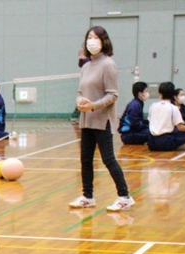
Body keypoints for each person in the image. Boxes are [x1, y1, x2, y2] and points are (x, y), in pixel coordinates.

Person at [69, 26, 134, 213]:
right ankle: (87, 197)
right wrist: (80, 101)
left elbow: (113, 95)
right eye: (89, 36)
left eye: (95, 37)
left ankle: (124, 196)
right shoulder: (86, 66)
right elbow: (80, 91)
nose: (91, 40)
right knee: (86, 159)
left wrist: (93, 106)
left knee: (108, 159)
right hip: (86, 120)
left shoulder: (108, 64)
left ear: (103, 41)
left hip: (102, 119)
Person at [147, 81, 185, 152]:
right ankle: (176, 145)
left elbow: (150, 121)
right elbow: (180, 127)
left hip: (151, 142)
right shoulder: (173, 108)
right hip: (166, 141)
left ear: (160, 94)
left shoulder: (152, 106)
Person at [118, 81, 150, 145]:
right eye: (146, 91)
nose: (147, 93)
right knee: (152, 133)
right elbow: (135, 124)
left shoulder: (138, 103)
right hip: (128, 135)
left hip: (132, 132)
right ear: (140, 94)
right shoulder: (134, 105)